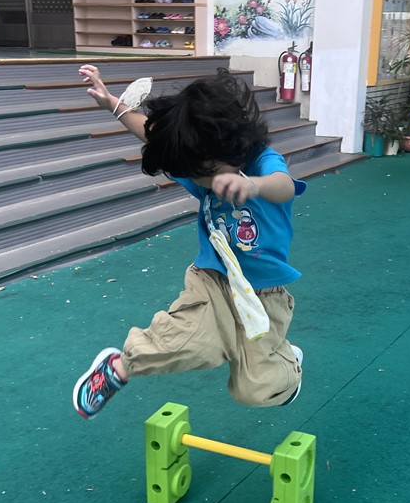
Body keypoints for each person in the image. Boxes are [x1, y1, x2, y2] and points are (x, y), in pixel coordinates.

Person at [72, 65, 306, 420]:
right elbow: (153, 137)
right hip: (212, 279)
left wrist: (253, 185)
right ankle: (117, 368)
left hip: (265, 291)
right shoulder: (201, 168)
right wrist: (114, 106)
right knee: (191, 342)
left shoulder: (262, 162)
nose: (201, 182)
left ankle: (285, 360)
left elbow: (284, 185)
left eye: (206, 172)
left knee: (259, 389)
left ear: (231, 146)